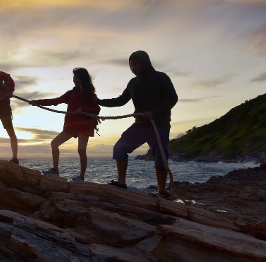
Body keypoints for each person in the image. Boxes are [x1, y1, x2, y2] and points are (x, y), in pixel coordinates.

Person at [97, 50, 178, 199]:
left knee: (161, 155)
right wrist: (99, 101)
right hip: (140, 125)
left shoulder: (161, 78)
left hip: (159, 125)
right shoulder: (133, 83)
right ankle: (122, 183)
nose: (133, 67)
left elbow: (172, 98)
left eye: (136, 64)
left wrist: (154, 112)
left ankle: (162, 191)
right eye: (130, 65)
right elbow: (120, 101)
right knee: (119, 148)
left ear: (145, 63)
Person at [30, 68, 100, 181]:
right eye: (73, 77)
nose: (74, 79)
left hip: (84, 125)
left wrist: (83, 109)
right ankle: (55, 170)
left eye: (76, 77)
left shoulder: (90, 94)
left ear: (82, 79)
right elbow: (55, 101)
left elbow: (96, 109)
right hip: (71, 125)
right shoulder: (71, 93)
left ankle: (81, 177)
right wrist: (38, 102)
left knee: (81, 150)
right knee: (54, 143)